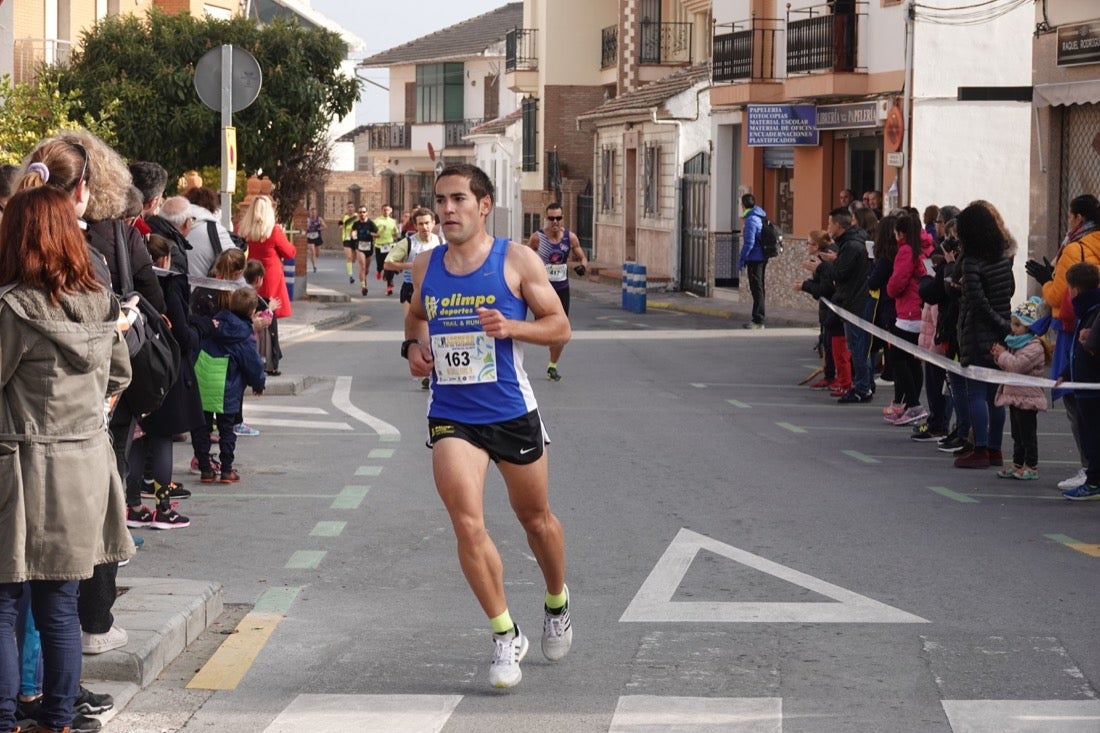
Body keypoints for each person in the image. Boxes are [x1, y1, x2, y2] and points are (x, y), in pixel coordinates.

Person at [404, 163, 572, 689]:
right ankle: (505, 634)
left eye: (458, 199)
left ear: (484, 204)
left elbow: (560, 326)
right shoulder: (425, 267)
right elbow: (415, 316)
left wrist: (513, 325)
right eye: (441, 200)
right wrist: (413, 347)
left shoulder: (516, 260)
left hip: (510, 411)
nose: (448, 210)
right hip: (452, 414)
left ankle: (556, 601)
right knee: (467, 523)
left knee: (535, 519)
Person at [0, 182, 134, 733]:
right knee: (60, 606)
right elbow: (121, 374)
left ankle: (4, 719)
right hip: (84, 468)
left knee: (6, 604)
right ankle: (57, 719)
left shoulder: (11, 306)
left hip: (21, 468)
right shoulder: (101, 303)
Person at [127, 234, 203, 530]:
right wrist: (200, 330)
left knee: (136, 438)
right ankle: (163, 508)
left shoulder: (130, 282)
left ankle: (133, 506)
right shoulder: (172, 286)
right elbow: (183, 334)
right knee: (161, 440)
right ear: (165, 260)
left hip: (136, 362)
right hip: (164, 367)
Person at [1026, 193, 1100, 490]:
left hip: (1076, 328)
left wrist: (1046, 279)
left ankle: (1089, 469)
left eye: (1070, 216)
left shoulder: (1074, 248)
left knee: (1077, 400)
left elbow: (1058, 295)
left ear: (1078, 218)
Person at [953, 202, 1014, 469]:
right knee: (995, 394)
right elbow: (1008, 290)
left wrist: (962, 288)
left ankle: (979, 449)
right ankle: (995, 448)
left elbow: (977, 301)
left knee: (976, 391)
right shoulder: (1003, 256)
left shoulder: (971, 260)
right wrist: (1004, 323)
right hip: (1001, 330)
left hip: (978, 330)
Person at [192, 286, 267, 484]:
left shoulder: (213, 323)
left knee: (202, 428)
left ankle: (205, 469)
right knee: (227, 430)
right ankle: (226, 470)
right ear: (252, 312)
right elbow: (253, 364)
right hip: (227, 385)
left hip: (204, 380)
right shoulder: (244, 335)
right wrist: (258, 384)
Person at [991, 297, 1051, 481]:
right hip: (1015, 395)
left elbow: (1017, 366)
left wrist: (1002, 356)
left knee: (1027, 434)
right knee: (1017, 434)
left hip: (1028, 397)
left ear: (1030, 327)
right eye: (1013, 324)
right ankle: (1018, 463)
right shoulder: (1015, 344)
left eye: (1018, 325)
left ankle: (1031, 465)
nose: (1013, 329)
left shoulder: (1034, 347)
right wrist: (998, 356)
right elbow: (1009, 366)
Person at [526, 202, 587, 380]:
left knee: (561, 327)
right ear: (546, 219)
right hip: (542, 288)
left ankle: (552, 365)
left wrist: (582, 267)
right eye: (551, 218)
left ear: (562, 219)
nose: (555, 222)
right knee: (543, 327)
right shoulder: (538, 238)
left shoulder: (570, 238)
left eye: (558, 218)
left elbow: (582, 257)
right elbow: (525, 256)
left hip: (562, 288)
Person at [884, 213, 934, 425]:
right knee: (911, 359)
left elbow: (897, 282)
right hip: (919, 309)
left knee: (897, 358)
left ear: (901, 233)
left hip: (908, 312)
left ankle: (913, 405)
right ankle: (909, 404)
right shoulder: (926, 248)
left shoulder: (906, 251)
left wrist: (890, 290)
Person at [820, 207, 873, 402]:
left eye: (829, 224)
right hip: (851, 300)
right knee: (857, 345)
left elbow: (841, 274)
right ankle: (865, 385)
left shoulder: (851, 245)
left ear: (839, 225)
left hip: (855, 302)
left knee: (856, 346)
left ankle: (862, 387)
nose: (827, 228)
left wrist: (822, 266)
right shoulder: (849, 244)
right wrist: (836, 260)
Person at [1058, 262, 1100, 500]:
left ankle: (1094, 481)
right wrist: (1066, 372)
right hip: (1084, 383)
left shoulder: (1093, 311)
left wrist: (1089, 343)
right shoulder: (1088, 311)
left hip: (1092, 386)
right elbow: (1077, 350)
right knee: (1089, 434)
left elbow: (1089, 348)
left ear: (1074, 290)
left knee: (1092, 436)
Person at [796, 230, 846, 392]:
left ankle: (836, 377)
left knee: (832, 345)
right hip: (826, 309)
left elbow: (826, 287)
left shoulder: (826, 260)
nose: (806, 246)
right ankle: (830, 374)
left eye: (808, 243)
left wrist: (805, 286)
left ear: (817, 246)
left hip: (833, 307)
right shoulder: (819, 259)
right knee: (826, 343)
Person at [183, 186, 238, 279]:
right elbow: (236, 262)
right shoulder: (216, 230)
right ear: (211, 205)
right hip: (205, 290)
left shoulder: (173, 225)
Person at [738, 193, 768, 329]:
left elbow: (749, 243)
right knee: (759, 288)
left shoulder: (751, 220)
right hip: (761, 257)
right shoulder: (759, 217)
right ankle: (758, 318)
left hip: (755, 259)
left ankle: (758, 320)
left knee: (757, 289)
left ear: (743, 205)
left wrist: (742, 258)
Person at [373, 204, 400, 295]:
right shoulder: (377, 221)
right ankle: (379, 270)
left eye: (388, 210)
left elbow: (396, 233)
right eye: (384, 210)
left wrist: (396, 233)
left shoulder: (393, 221)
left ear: (391, 211)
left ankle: (389, 286)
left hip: (389, 245)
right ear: (381, 210)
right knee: (380, 264)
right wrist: (380, 232)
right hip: (379, 245)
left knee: (389, 265)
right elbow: (373, 233)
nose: (386, 211)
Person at [350, 205, 378, 296]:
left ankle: (364, 278)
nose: (362, 214)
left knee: (366, 269)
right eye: (360, 212)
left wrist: (370, 233)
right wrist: (353, 236)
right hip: (359, 247)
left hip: (369, 248)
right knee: (362, 266)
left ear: (367, 213)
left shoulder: (371, 223)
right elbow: (352, 232)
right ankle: (363, 287)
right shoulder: (356, 224)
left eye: (363, 212)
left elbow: (378, 234)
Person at [340, 201, 358, 285]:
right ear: (347, 208)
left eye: (352, 207)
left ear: (354, 208)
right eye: (349, 207)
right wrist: (343, 225)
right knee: (349, 257)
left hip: (355, 238)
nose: (350, 208)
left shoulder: (357, 216)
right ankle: (351, 276)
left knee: (354, 258)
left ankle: (351, 266)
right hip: (346, 238)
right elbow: (340, 225)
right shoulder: (344, 217)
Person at [305, 207, 326, 273]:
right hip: (310, 237)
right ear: (310, 213)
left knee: (317, 253)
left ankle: (314, 257)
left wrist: (320, 228)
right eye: (312, 213)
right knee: (312, 251)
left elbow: (325, 226)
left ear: (316, 213)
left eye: (314, 213)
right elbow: (303, 227)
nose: (313, 214)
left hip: (317, 237)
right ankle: (314, 267)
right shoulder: (307, 220)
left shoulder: (319, 219)